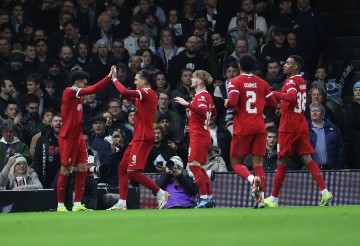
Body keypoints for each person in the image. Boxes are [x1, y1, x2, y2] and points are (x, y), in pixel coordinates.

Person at [264, 55, 333, 207]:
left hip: (289, 126)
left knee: (281, 159)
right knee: (307, 158)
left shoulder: (291, 81)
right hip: (301, 122)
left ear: (295, 67)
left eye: (288, 63)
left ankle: (273, 199)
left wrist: (274, 94)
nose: (284, 65)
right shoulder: (301, 80)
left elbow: (291, 96)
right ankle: (325, 192)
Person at [108, 70, 170, 210]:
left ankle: (160, 193)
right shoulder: (144, 96)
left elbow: (125, 93)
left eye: (136, 80)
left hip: (143, 138)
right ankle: (122, 203)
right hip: (137, 137)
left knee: (131, 172)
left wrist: (115, 79)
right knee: (122, 168)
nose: (135, 82)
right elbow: (131, 98)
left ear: (145, 80)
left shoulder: (148, 92)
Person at [56, 65, 115, 212]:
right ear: (78, 82)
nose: (86, 85)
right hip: (68, 137)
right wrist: (108, 78)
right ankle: (60, 205)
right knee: (65, 170)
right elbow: (92, 90)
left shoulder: (79, 96)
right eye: (84, 82)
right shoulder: (69, 91)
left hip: (78, 138)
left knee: (82, 168)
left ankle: (77, 205)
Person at [224, 54, 277, 208]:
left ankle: (251, 180)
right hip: (259, 127)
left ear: (240, 66)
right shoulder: (262, 83)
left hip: (243, 128)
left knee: (236, 163)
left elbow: (232, 102)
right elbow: (273, 103)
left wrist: (226, 103)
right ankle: (260, 199)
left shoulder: (234, 82)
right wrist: (260, 103)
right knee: (258, 164)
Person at [174, 70, 215, 208]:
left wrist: (187, 104)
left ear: (200, 81)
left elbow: (203, 111)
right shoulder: (206, 96)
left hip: (198, 137)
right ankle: (209, 198)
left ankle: (203, 198)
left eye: (194, 77)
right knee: (201, 168)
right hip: (203, 135)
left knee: (193, 167)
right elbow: (212, 112)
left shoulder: (202, 96)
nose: (191, 79)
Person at [308, 103, 345, 170]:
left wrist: (338, 167)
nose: (314, 113)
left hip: (330, 169)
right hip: (311, 170)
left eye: (317, 111)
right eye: (312, 111)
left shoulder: (333, 129)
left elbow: (341, 149)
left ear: (323, 114)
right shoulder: (305, 129)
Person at [33, 113, 62, 188]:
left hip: (63, 177)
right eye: (55, 121)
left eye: (60, 121)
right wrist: (38, 175)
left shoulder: (68, 140)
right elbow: (37, 159)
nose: (58, 123)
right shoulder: (43, 139)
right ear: (51, 123)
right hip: (46, 179)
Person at [345, 81, 360, 169]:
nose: (358, 92)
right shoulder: (350, 106)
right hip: (355, 145)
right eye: (355, 90)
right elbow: (353, 121)